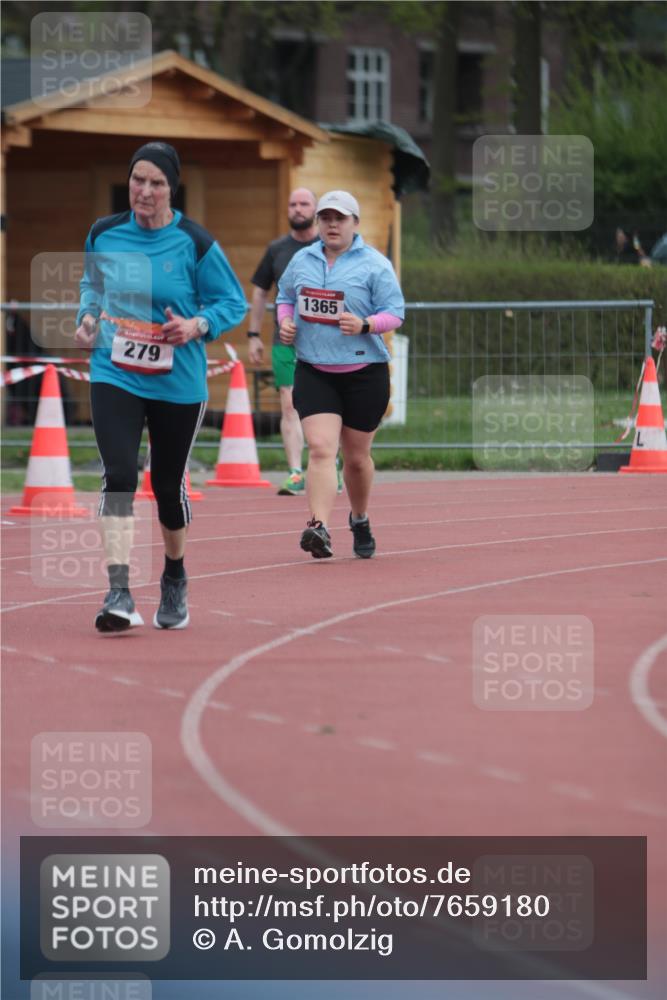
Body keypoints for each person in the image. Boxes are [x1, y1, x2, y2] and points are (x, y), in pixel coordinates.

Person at [75, 141, 247, 632]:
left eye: (156, 183)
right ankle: (119, 589)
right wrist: (87, 318)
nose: (144, 191)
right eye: (137, 180)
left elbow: (230, 303)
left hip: (178, 381)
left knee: (167, 487)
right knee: (121, 475)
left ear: (172, 189)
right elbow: (92, 286)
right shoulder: (104, 233)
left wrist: (197, 325)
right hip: (116, 371)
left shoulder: (194, 242)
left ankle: (174, 574)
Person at [276, 190, 404, 559]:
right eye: (326, 218)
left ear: (355, 224)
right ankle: (318, 527)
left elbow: (395, 312)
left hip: (365, 371)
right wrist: (285, 323)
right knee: (320, 449)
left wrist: (365, 324)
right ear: (318, 223)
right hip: (315, 369)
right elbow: (285, 297)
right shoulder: (302, 260)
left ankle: (359, 517)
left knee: (356, 459)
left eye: (340, 218)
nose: (332, 225)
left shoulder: (375, 265)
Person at [248, 188, 342, 496]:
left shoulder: (329, 246)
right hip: (285, 339)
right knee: (289, 405)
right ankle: (294, 472)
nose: (298, 209)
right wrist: (253, 335)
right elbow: (261, 291)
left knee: (331, 406)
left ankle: (333, 464)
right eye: (293, 204)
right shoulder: (277, 249)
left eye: (304, 204)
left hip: (325, 342)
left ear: (314, 211)